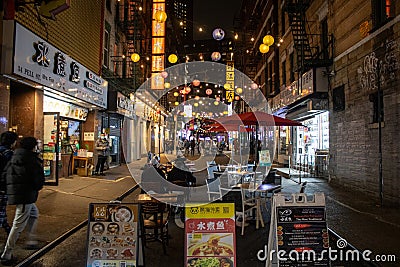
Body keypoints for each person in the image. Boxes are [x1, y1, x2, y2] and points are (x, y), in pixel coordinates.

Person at [1, 137, 45, 265]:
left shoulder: (15, 156)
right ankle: (6, 254)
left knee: (34, 214)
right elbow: (37, 180)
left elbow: (5, 174)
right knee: (18, 225)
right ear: (33, 146)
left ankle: (31, 240)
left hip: (20, 194)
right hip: (26, 196)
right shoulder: (31, 159)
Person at [0, 131, 18, 236]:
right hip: (3, 187)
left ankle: (8, 230)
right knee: (1, 211)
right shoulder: (9, 154)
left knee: (2, 211)